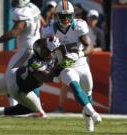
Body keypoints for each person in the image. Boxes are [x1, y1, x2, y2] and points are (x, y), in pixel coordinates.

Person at [41, 0, 102, 132]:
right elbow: (42, 51)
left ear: (73, 15)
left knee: (88, 94)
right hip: (65, 66)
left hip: (81, 64)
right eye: (63, 16)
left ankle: (88, 119)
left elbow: (89, 46)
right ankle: (94, 114)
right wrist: (48, 48)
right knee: (74, 86)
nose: (66, 19)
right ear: (57, 16)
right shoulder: (49, 29)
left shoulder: (79, 26)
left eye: (68, 16)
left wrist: (79, 54)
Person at [0, 0, 44, 108]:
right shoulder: (33, 7)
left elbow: (13, 33)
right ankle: (38, 110)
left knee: (9, 78)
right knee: (33, 78)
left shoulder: (22, 13)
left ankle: (19, 107)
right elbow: (43, 23)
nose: (14, 2)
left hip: (26, 51)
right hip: (35, 49)